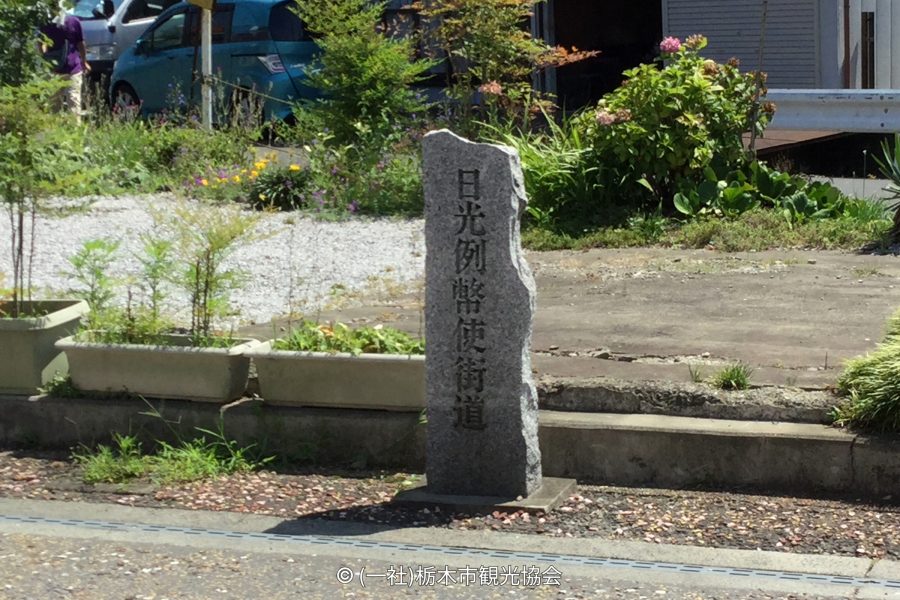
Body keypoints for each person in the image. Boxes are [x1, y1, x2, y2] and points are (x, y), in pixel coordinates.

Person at [41, 4, 91, 121]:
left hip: (66, 69)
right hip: (63, 69)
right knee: (63, 103)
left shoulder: (71, 22)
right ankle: (61, 132)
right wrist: (84, 62)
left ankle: (70, 133)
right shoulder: (49, 24)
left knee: (65, 103)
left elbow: (80, 43)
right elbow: (81, 44)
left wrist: (84, 62)